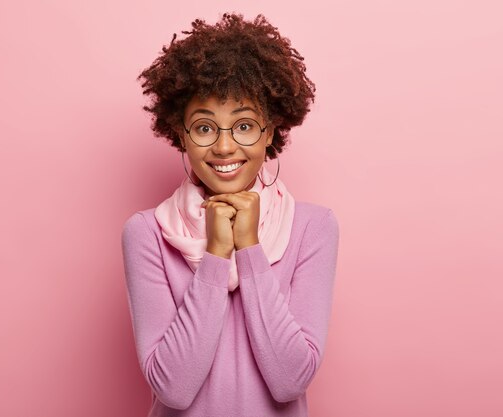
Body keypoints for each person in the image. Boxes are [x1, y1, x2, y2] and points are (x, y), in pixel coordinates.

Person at [122, 13, 340, 417]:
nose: (224, 147)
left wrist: (250, 248)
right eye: (205, 128)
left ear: (270, 131)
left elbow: (289, 380)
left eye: (243, 125)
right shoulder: (147, 233)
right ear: (181, 134)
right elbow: (174, 388)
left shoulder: (314, 227)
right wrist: (217, 256)